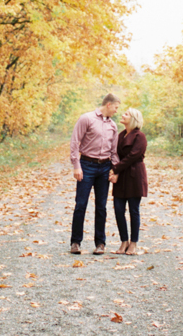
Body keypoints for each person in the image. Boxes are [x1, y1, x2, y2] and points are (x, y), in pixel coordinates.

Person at [69, 93, 120, 255]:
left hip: (104, 167)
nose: (117, 111)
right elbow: (75, 142)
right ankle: (75, 242)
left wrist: (115, 170)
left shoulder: (113, 125)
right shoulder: (87, 118)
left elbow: (114, 151)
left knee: (101, 207)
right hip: (87, 165)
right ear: (109, 105)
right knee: (81, 204)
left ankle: (100, 243)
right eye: (116, 107)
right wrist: (76, 165)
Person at [109, 107, 148, 255]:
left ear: (133, 119)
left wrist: (116, 169)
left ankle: (133, 243)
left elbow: (133, 156)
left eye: (126, 114)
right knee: (118, 210)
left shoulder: (140, 136)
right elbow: (114, 154)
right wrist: (115, 170)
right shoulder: (120, 135)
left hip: (134, 176)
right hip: (121, 177)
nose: (122, 115)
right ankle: (123, 241)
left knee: (133, 210)